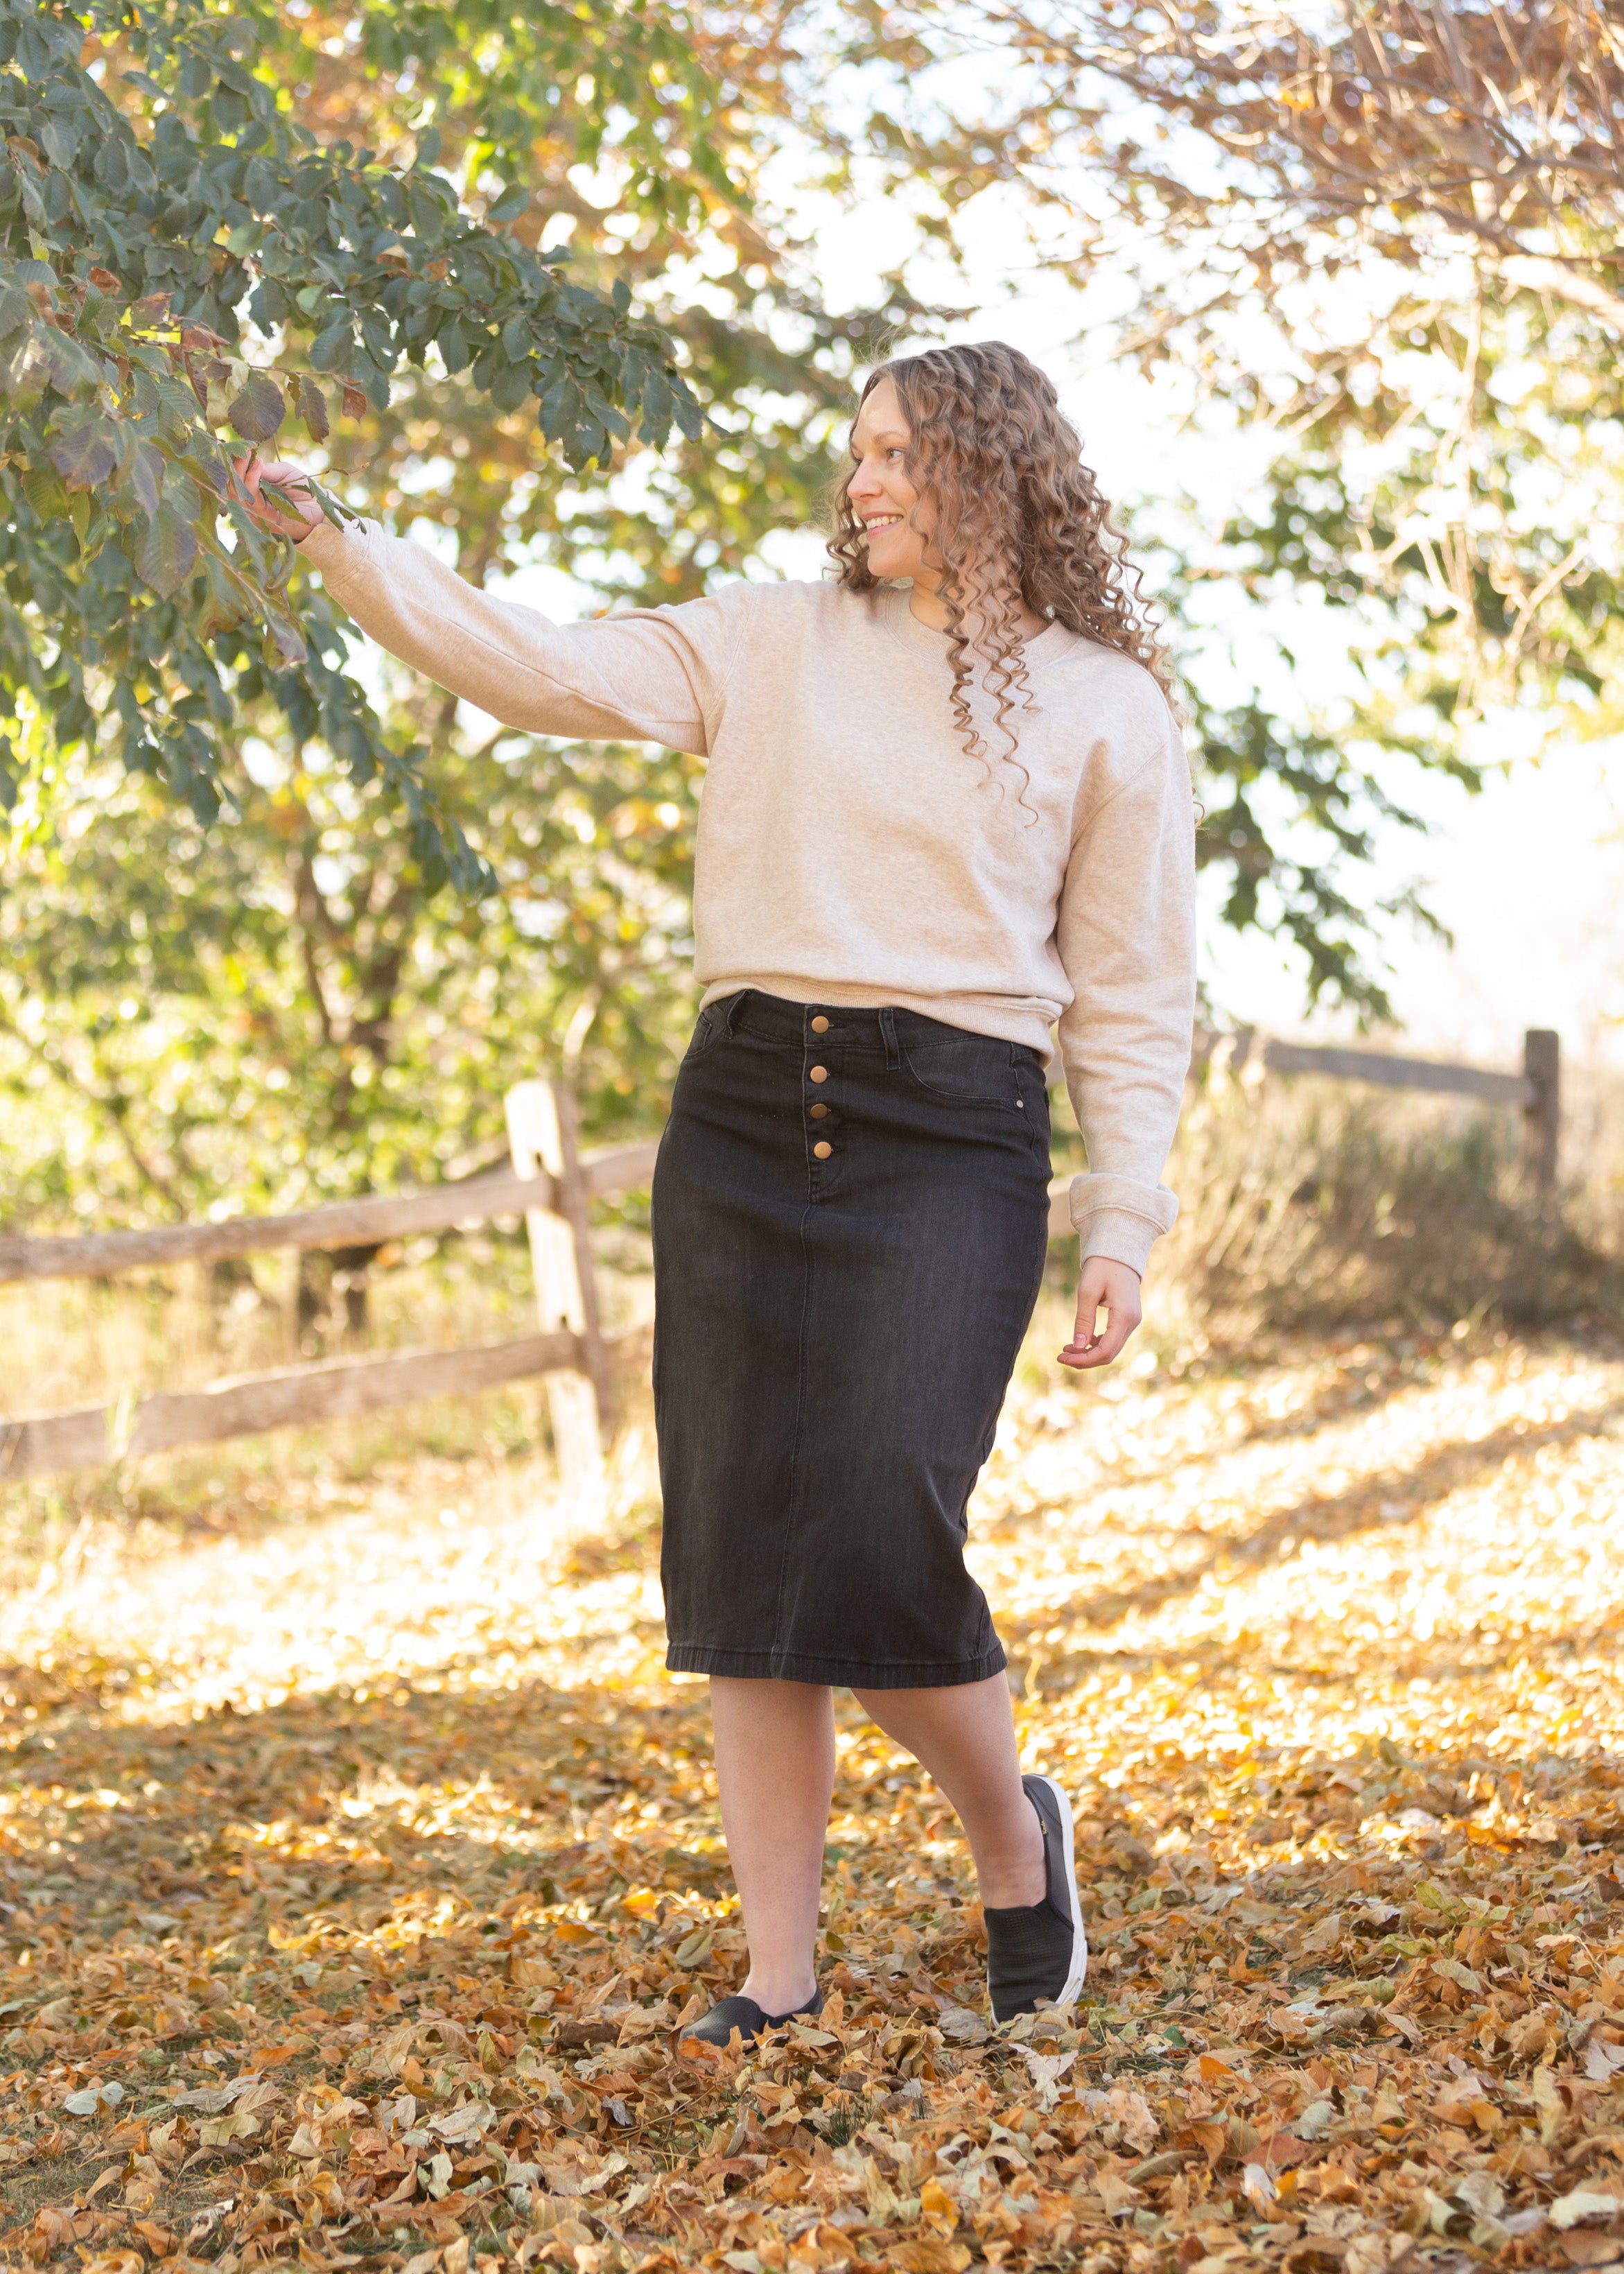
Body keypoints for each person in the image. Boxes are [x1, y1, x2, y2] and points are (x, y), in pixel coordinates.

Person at [240, 340, 1196, 2043]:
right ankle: (778, 1969)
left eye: (898, 451)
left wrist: (1122, 1214)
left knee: (882, 1522)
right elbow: (528, 665)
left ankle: (1007, 1832)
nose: (865, 482)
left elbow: (1129, 989)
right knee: (748, 1551)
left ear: (995, 465)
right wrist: (339, 540)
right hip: (748, 1111)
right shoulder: (767, 640)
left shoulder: (1107, 705)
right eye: (857, 455)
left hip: (953, 1125)